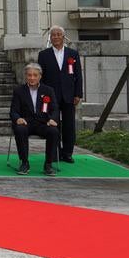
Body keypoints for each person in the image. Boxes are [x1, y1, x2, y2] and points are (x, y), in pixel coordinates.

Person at [37, 25, 83, 163]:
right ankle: (54, 152)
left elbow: (78, 76)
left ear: (63, 36)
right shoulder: (43, 55)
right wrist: (42, 95)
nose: (56, 37)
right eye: (53, 35)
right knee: (53, 124)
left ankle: (67, 153)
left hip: (69, 95)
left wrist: (78, 94)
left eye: (58, 34)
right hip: (51, 97)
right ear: (50, 38)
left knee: (69, 125)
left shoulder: (72, 54)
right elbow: (41, 77)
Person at [10, 62, 59, 176]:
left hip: (43, 123)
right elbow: (13, 111)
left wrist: (53, 119)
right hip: (26, 123)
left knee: (53, 131)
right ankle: (24, 163)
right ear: (25, 76)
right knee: (20, 129)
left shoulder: (48, 90)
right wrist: (18, 119)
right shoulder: (18, 91)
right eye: (29, 75)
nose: (32, 78)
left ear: (40, 76)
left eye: (35, 75)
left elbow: (55, 109)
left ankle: (48, 164)